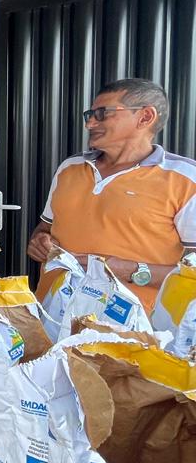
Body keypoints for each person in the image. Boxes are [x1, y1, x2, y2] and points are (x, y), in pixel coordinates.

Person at [27, 79, 196, 312]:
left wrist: (133, 271)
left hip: (134, 330)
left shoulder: (185, 178)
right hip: (55, 316)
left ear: (145, 117)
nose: (90, 124)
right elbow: (44, 229)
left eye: (102, 114)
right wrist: (39, 242)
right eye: (90, 115)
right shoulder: (70, 168)